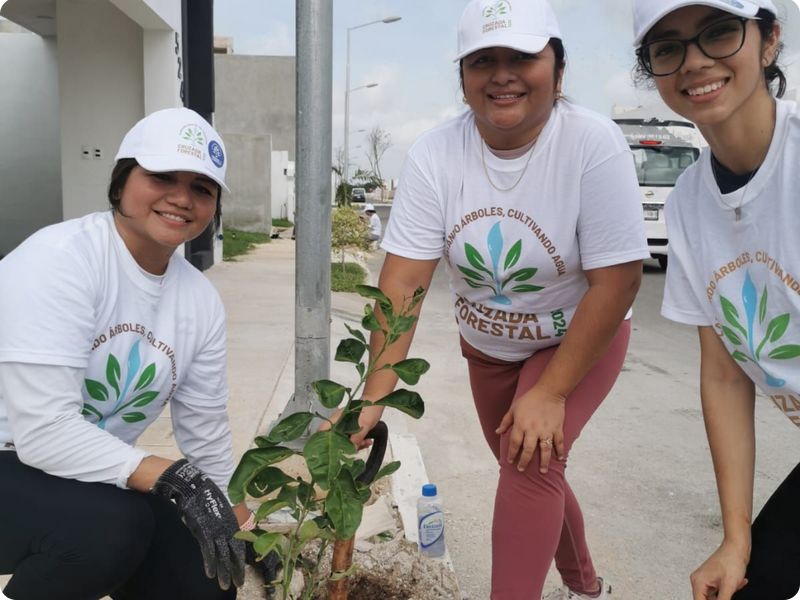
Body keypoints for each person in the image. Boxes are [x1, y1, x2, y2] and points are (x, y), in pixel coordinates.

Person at [326, 0, 650, 597]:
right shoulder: (434, 155)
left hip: (580, 337)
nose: (502, 74)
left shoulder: (592, 143)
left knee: (530, 462)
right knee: (526, 460)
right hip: (489, 347)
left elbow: (618, 281)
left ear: (556, 66)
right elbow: (403, 284)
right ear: (464, 76)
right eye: (483, 60)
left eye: (522, 57)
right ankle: (585, 585)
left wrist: (552, 391)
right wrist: (374, 396)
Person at [0, 108, 252, 600]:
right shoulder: (61, 259)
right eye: (161, 176)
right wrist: (176, 477)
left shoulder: (198, 299)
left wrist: (231, 515)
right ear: (121, 182)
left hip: (77, 478)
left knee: (205, 575)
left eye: (202, 188)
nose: (182, 198)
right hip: (12, 459)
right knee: (107, 528)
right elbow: (44, 433)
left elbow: (205, 427)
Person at [632, 1, 797, 598]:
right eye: (668, 46)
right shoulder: (688, 203)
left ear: (769, 40)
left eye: (720, 32)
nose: (695, 60)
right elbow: (726, 377)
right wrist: (735, 541)